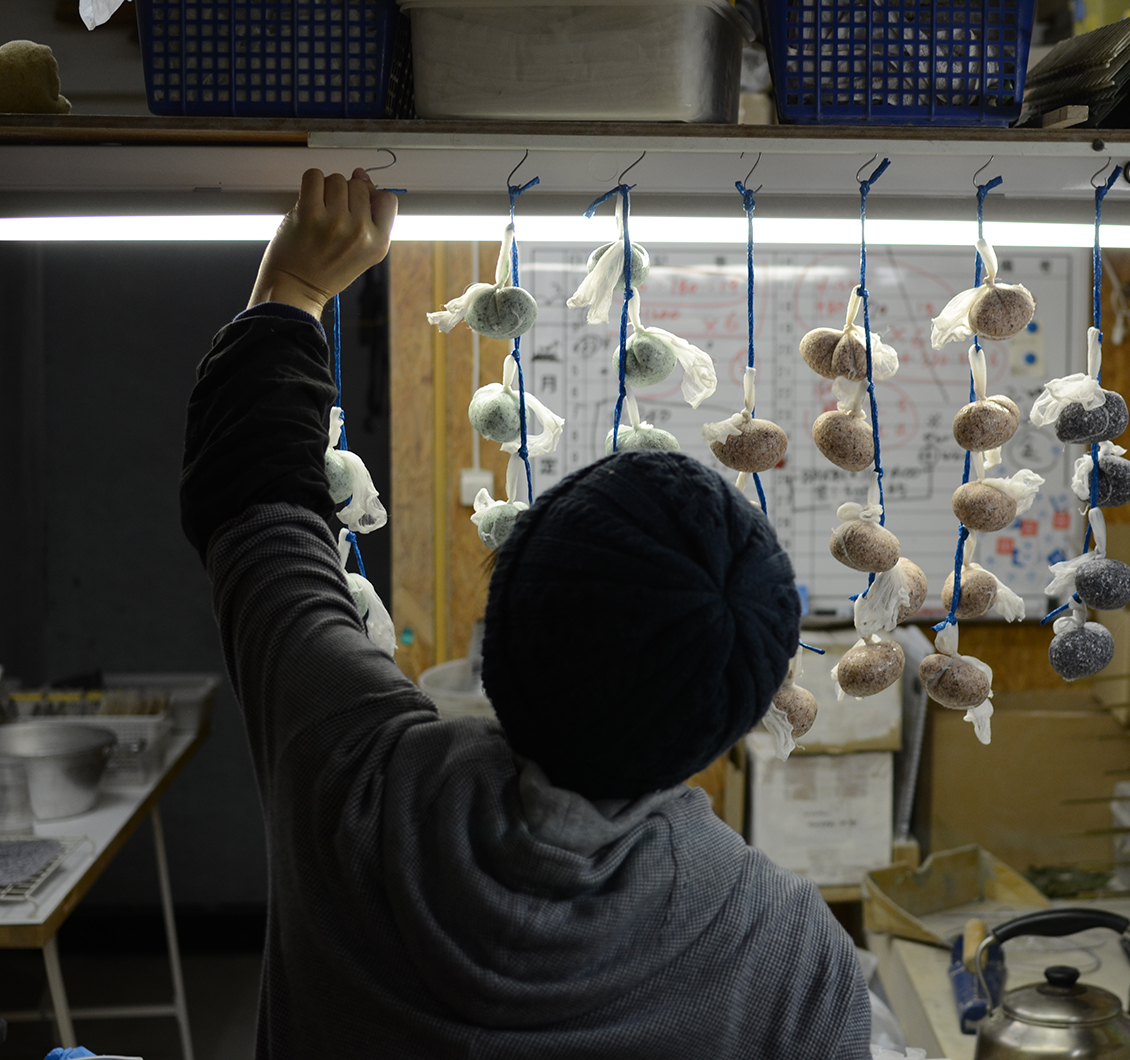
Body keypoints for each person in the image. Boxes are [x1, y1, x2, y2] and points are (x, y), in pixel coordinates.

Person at [179, 168, 871, 1058]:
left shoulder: (354, 776)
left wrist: (293, 294)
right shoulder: (788, 953)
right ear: (738, 719)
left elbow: (256, 513)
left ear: (497, 621)